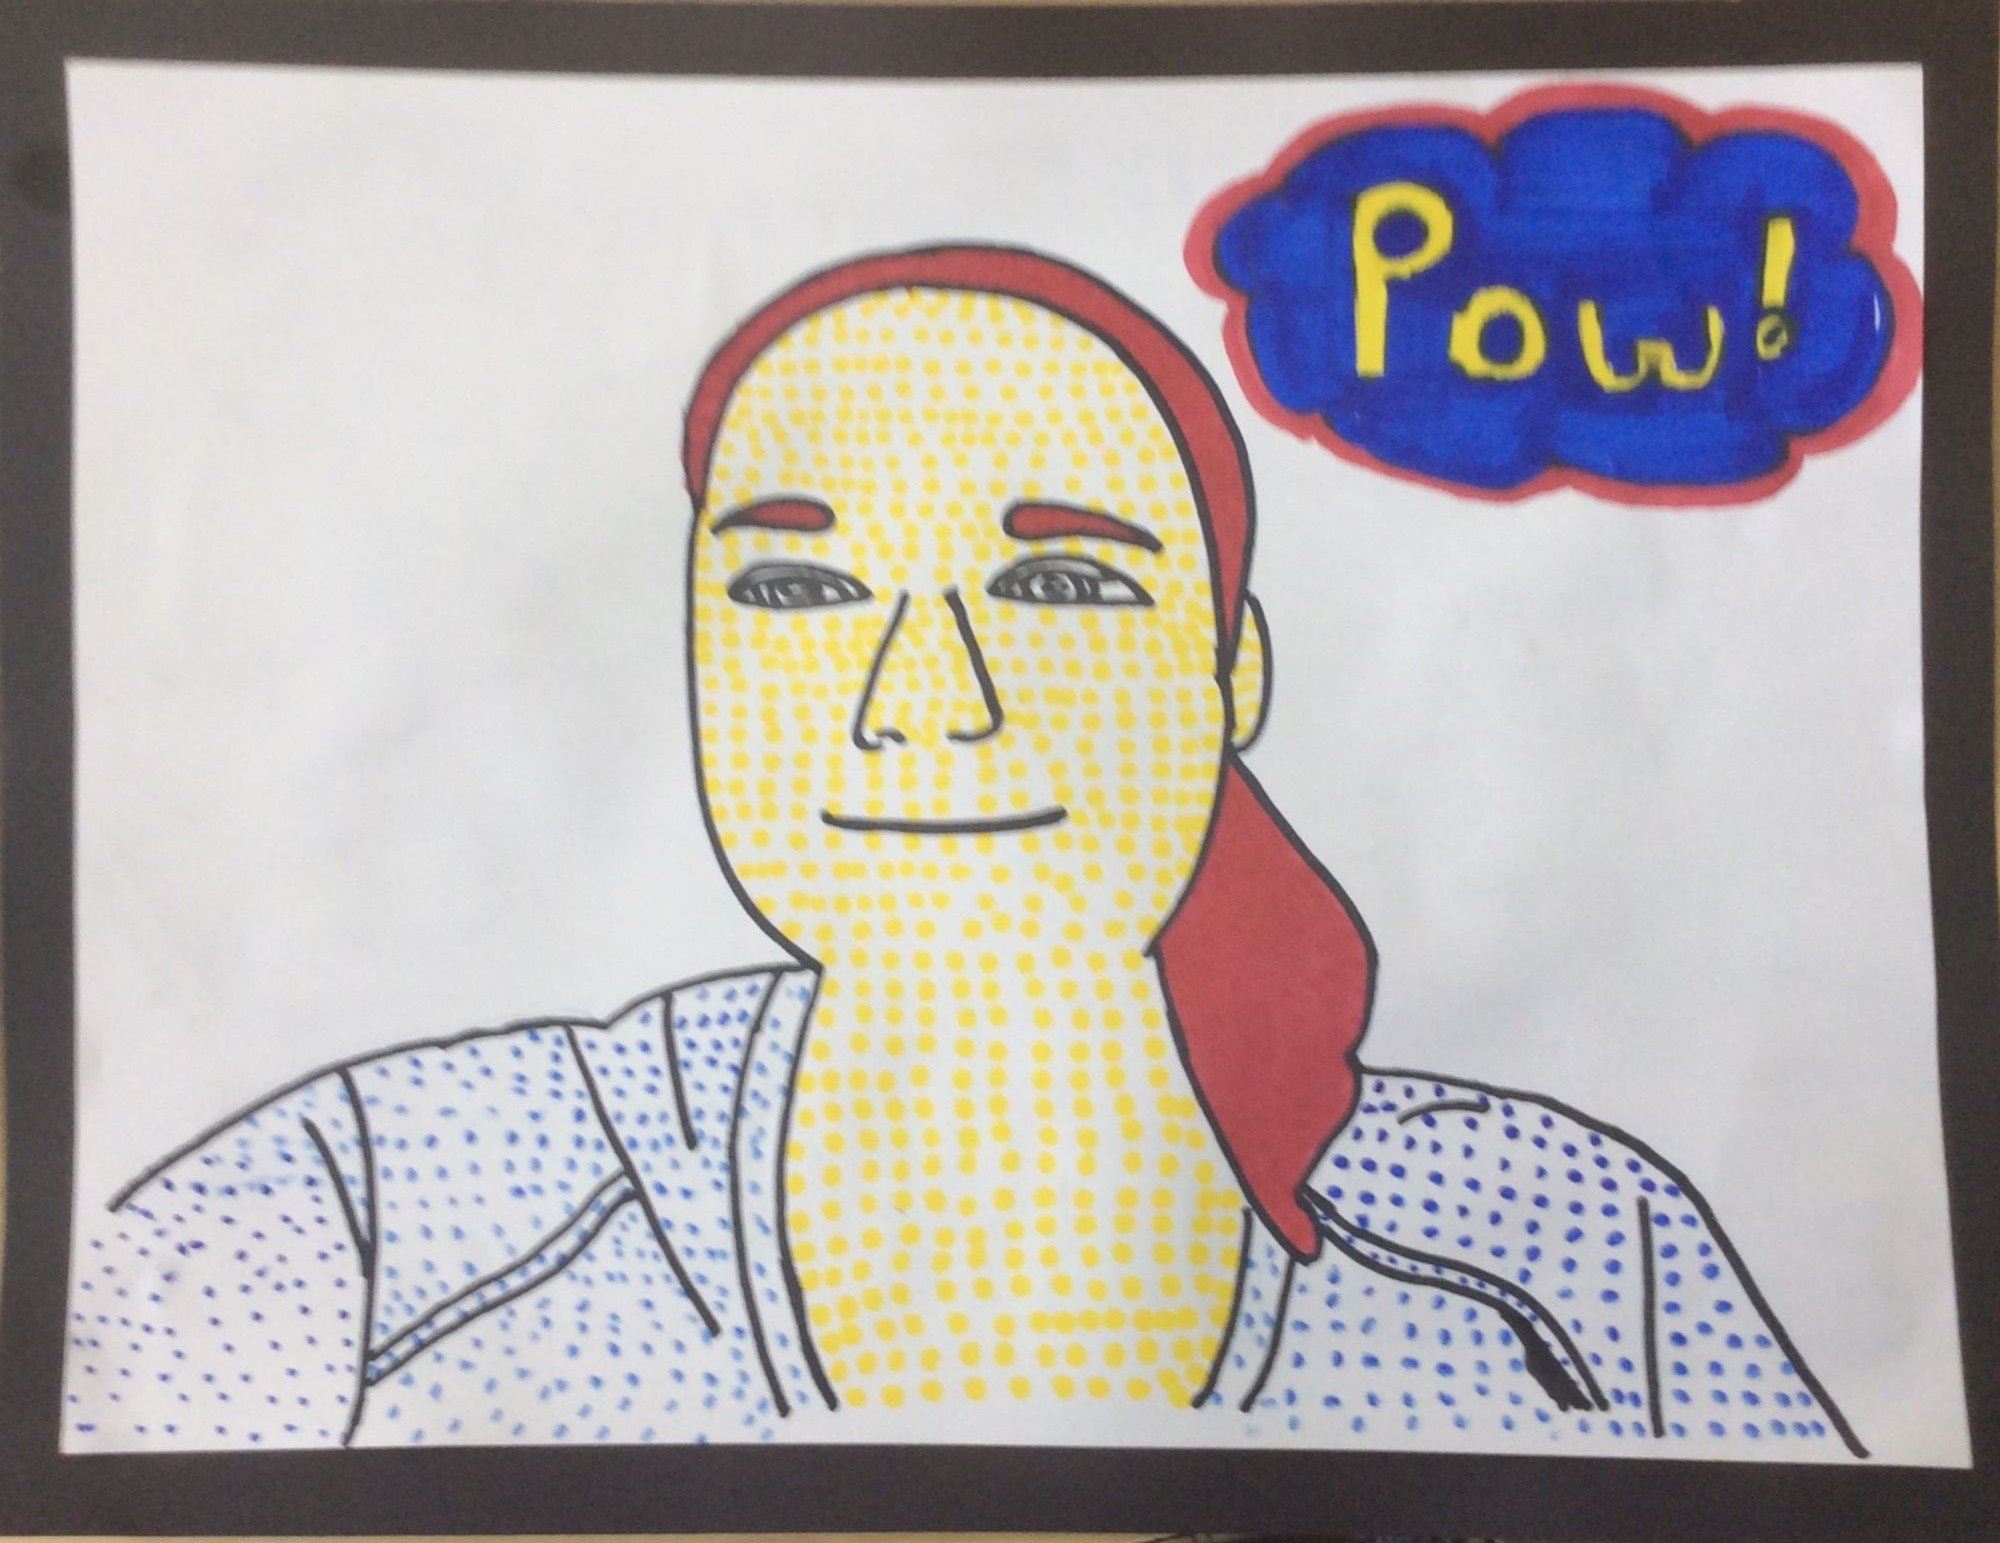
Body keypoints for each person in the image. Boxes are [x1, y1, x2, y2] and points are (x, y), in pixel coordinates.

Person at [62, 246, 1861, 1457]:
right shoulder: (379, 1216)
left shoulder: (1565, 1249)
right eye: (796, 588)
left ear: (1233, 674)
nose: (924, 700)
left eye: (1062, 582)